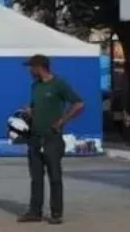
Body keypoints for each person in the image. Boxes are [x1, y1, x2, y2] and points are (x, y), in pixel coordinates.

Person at [17, 54, 84, 225]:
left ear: (39, 67)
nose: (29, 71)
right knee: (36, 177)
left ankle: (56, 213)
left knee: (54, 177)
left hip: (52, 138)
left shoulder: (58, 84)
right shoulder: (35, 86)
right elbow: (34, 107)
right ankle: (35, 212)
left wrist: (62, 120)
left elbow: (78, 103)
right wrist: (29, 112)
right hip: (35, 137)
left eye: (30, 68)